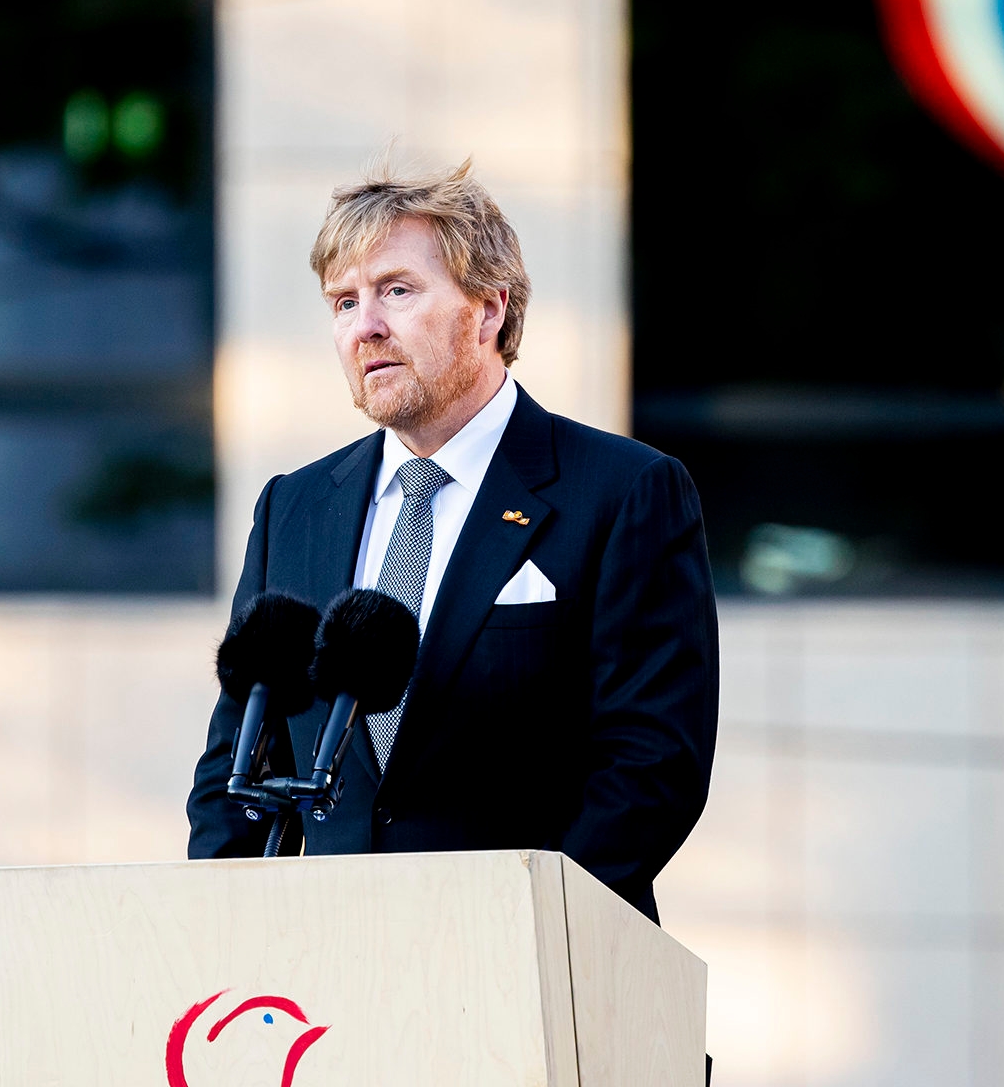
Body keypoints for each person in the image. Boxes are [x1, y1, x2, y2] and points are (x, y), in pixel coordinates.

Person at [185, 160, 717, 922]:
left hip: (533, 977)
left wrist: (516, 932)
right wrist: (221, 938)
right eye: (344, 301)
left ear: (488, 309)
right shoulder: (293, 509)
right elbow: (235, 765)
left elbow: (651, 769)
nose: (365, 325)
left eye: (397, 291)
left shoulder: (623, 491)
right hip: (325, 987)